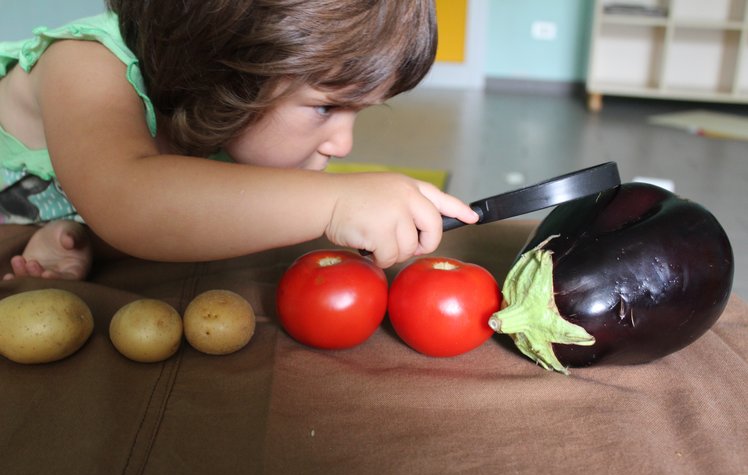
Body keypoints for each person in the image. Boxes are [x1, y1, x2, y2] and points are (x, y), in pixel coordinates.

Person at [0, 0, 478, 281]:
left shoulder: (233, 118)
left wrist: (87, 241)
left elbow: (181, 216)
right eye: (326, 108)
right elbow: (127, 198)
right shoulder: (83, 64)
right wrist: (334, 200)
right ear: (222, 67)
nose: (342, 145)